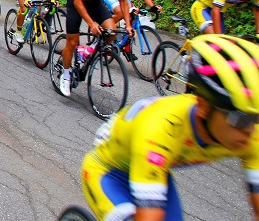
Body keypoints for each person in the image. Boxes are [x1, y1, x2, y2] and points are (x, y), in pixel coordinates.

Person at [81, 34, 259, 221]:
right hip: (109, 172)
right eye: (240, 119)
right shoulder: (161, 128)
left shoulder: (251, 135)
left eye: (256, 118)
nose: (249, 130)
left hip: (153, 169)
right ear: (205, 107)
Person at [58, 0, 133, 97]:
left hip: (93, 0)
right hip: (76, 0)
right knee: (72, 42)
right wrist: (91, 23)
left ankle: (89, 50)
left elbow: (123, 1)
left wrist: (129, 25)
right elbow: (78, 2)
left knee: (111, 31)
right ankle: (65, 75)